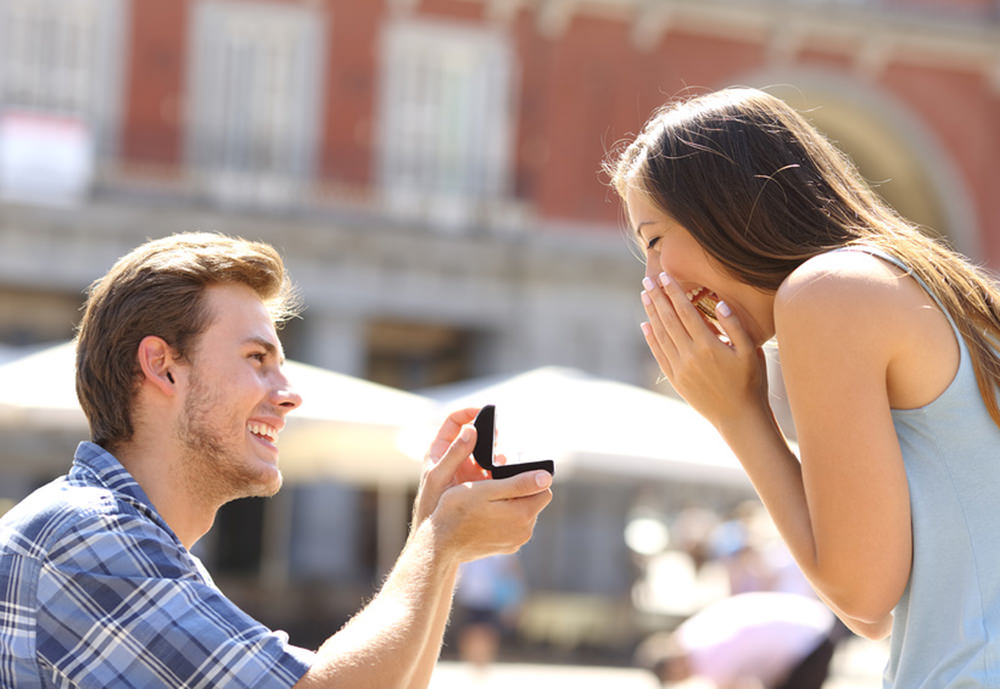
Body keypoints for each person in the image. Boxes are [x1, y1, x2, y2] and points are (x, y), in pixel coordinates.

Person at [0, 232, 553, 688]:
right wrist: (437, 542)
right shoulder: (86, 534)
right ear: (163, 367)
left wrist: (439, 533)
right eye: (257, 358)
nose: (288, 393)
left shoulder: (125, 540)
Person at [605, 87, 1000, 686]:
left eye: (655, 240)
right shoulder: (924, 286)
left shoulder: (826, 293)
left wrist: (740, 415)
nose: (654, 280)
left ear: (727, 208)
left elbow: (864, 600)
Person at [634, 591, 838, 689]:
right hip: (809, 622)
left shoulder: (706, 657)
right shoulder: (689, 634)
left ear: (674, 666)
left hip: (808, 642)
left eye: (673, 679)